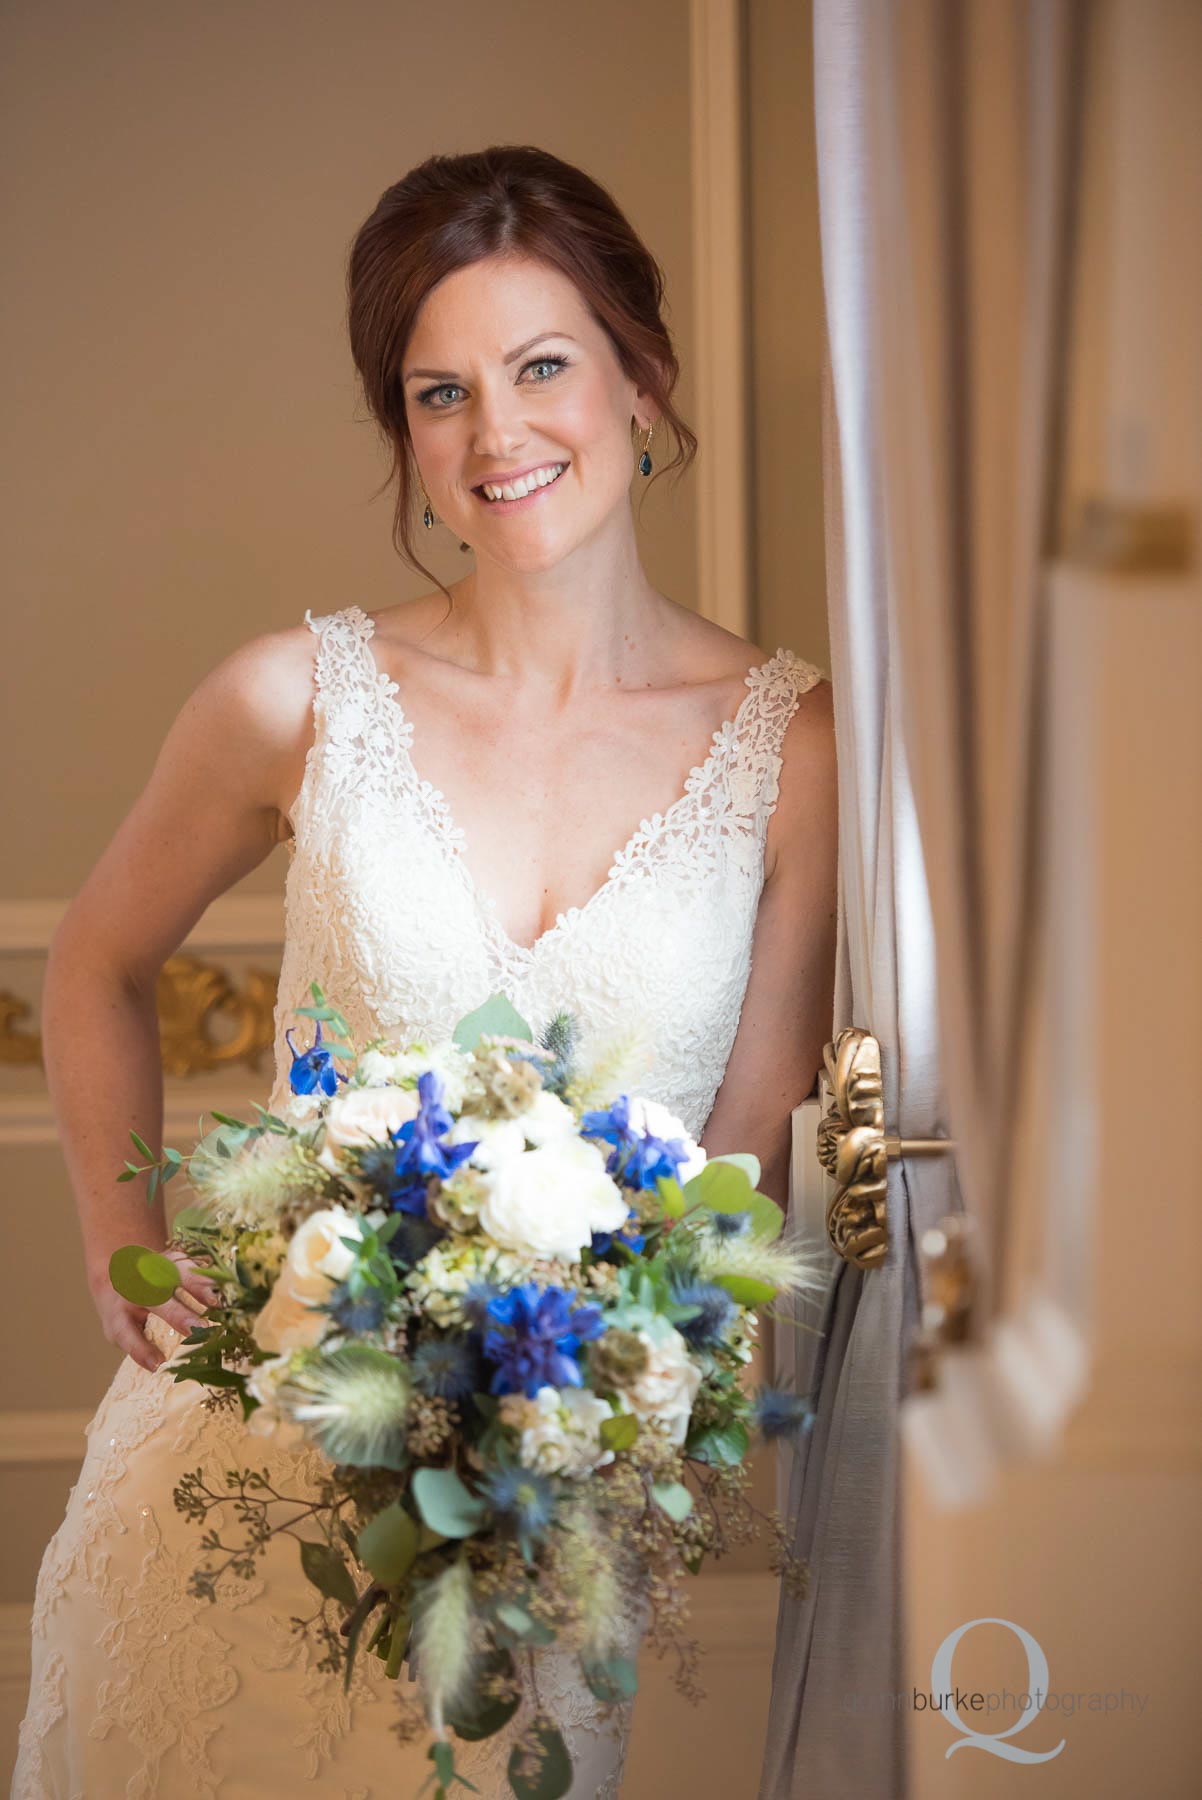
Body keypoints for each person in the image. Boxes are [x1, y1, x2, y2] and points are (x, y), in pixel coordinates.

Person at [12, 145, 837, 1798]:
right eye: (437, 391)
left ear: (641, 379)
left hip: (528, 1531)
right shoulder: (291, 697)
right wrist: (124, 1247)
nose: (496, 435)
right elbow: (95, 958)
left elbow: (746, 1147)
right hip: (221, 1483)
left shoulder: (794, 747)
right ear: (402, 430)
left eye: (543, 367)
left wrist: (607, 1419)